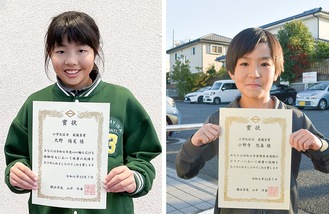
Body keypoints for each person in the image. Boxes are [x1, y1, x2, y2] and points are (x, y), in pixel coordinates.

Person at [4, 11, 161, 214]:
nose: (71, 61)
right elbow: (16, 156)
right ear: (49, 53)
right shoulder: (35, 103)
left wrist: (134, 177)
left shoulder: (122, 100)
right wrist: (16, 174)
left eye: (81, 50)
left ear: (95, 51)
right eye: (61, 51)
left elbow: (144, 155)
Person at [175, 27, 329, 214]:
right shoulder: (220, 121)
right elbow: (184, 170)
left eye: (264, 64)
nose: (254, 73)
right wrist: (193, 143)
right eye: (244, 64)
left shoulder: (294, 118)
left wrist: (319, 144)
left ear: (276, 72)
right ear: (231, 72)